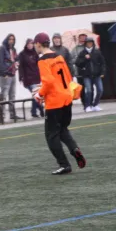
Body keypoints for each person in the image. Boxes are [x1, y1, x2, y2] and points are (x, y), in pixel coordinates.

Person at [32, 32, 86, 175]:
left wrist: (39, 94)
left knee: (51, 135)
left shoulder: (43, 60)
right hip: (66, 98)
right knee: (62, 129)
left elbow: (49, 81)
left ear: (38, 44)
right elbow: (67, 77)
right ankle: (74, 150)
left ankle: (64, 165)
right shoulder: (59, 56)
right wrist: (43, 86)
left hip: (54, 101)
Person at [75, 36, 106, 112]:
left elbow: (102, 63)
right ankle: (87, 106)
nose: (89, 44)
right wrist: (85, 58)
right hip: (87, 75)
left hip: (97, 75)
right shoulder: (82, 53)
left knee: (100, 90)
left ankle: (95, 104)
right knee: (88, 91)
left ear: (93, 43)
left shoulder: (97, 52)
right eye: (88, 43)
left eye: (91, 43)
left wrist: (102, 72)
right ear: (85, 44)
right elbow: (77, 63)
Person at [18, 38, 45, 118]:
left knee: (35, 95)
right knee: (36, 94)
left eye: (32, 44)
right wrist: (21, 77)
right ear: (26, 45)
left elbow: (38, 64)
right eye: (29, 44)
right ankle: (40, 109)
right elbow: (21, 67)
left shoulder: (35, 53)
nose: (30, 45)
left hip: (36, 77)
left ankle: (34, 111)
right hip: (28, 78)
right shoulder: (22, 54)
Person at [0, 33, 21, 120]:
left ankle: (12, 114)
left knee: (12, 95)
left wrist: (17, 63)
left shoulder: (13, 49)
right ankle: (1, 115)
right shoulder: (2, 48)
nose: (11, 41)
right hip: (5, 76)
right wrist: (4, 74)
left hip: (13, 74)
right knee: (4, 96)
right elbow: (0, 62)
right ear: (7, 39)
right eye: (10, 39)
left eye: (13, 39)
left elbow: (17, 59)